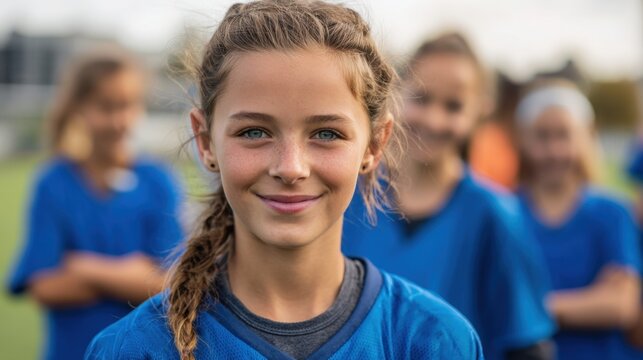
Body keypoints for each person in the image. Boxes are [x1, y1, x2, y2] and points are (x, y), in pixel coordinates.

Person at [85, 1, 483, 359]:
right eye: (255, 132)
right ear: (205, 141)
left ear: (374, 146)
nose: (291, 167)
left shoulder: (434, 341)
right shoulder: (132, 349)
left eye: (327, 133)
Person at [342, 32, 555, 360]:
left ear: (480, 110)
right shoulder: (349, 196)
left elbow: (528, 345)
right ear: (397, 93)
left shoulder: (495, 215)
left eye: (453, 106)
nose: (434, 119)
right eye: (422, 99)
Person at [6, 48, 184, 360]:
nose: (119, 120)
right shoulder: (53, 183)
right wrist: (130, 276)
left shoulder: (159, 181)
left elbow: (170, 285)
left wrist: (86, 268)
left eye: (127, 106)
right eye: (106, 106)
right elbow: (44, 286)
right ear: (80, 108)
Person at [515, 79, 642, 359]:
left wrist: (535, 306)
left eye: (564, 135)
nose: (554, 150)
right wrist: (589, 301)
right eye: (542, 136)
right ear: (523, 139)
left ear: (586, 136)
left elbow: (622, 305)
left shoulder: (611, 213)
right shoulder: (506, 213)